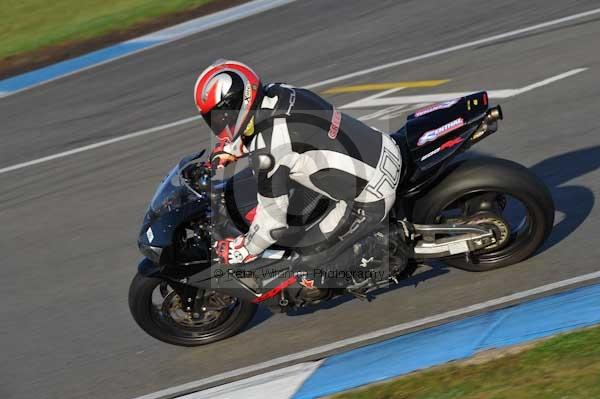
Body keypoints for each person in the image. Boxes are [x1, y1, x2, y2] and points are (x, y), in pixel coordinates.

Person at [193, 60, 404, 286]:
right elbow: (281, 131)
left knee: (304, 263)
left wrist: (243, 249)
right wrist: (234, 149)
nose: (217, 123)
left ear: (237, 104)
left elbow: (273, 224)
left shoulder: (269, 151)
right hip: (378, 146)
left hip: (369, 195)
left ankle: (381, 253)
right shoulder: (279, 92)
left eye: (219, 116)